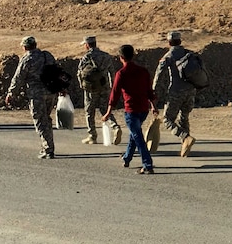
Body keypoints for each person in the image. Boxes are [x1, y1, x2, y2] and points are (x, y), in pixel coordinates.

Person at [103, 44, 158, 174]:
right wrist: (153, 106)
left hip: (131, 110)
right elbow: (149, 90)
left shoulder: (121, 73)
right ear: (133, 56)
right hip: (143, 109)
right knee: (135, 134)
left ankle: (147, 164)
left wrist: (108, 112)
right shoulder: (143, 71)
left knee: (138, 137)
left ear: (121, 57)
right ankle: (127, 157)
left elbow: (114, 95)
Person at [5, 36, 58, 159]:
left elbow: (18, 78)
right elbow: (57, 72)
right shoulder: (47, 55)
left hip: (36, 94)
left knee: (40, 120)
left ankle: (48, 149)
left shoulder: (27, 59)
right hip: (51, 92)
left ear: (24, 47)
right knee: (46, 119)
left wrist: (11, 93)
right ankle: (48, 145)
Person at [153, 31, 197, 157]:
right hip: (191, 91)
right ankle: (185, 145)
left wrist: (154, 91)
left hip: (176, 92)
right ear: (180, 41)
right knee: (184, 117)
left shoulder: (168, 56)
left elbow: (159, 74)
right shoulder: (189, 54)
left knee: (167, 120)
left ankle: (185, 137)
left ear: (169, 42)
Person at [77, 35, 123, 145]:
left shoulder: (86, 57)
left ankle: (92, 135)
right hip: (104, 86)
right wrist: (111, 86)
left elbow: (79, 72)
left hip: (91, 88)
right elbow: (112, 71)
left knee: (89, 111)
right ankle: (115, 126)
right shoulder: (106, 56)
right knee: (104, 109)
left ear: (87, 45)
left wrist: (81, 85)